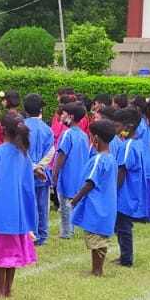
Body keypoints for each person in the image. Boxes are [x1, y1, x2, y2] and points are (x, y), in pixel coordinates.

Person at [0, 113, 39, 298]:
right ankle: (7, 289)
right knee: (12, 250)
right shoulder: (24, 155)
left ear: (2, 130)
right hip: (17, 211)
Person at [69, 120, 118, 277]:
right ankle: (97, 269)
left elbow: (90, 182)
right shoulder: (111, 158)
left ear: (95, 138)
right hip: (107, 204)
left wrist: (76, 198)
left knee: (96, 239)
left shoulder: (99, 159)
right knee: (100, 238)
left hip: (97, 205)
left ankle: (97, 270)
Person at [113, 108, 150, 267]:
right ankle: (123, 254)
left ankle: (126, 258)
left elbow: (122, 170)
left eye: (117, 126)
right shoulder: (137, 143)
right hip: (130, 191)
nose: (115, 129)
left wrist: (114, 191)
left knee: (123, 226)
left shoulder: (128, 145)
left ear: (127, 127)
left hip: (125, 192)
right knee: (121, 225)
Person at [52, 102, 89, 240]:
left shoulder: (67, 134)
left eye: (64, 114)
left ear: (71, 116)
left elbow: (62, 154)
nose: (61, 116)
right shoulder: (83, 135)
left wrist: (55, 173)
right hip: (80, 174)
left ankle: (66, 232)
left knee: (65, 206)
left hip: (68, 174)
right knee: (72, 203)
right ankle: (72, 229)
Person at [23, 94, 54, 246]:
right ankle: (42, 234)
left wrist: (33, 167)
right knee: (42, 206)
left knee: (29, 204)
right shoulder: (46, 128)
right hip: (43, 174)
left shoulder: (21, 127)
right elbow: (51, 151)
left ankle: (31, 233)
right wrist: (40, 166)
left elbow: (20, 151)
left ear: (24, 108)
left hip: (26, 173)